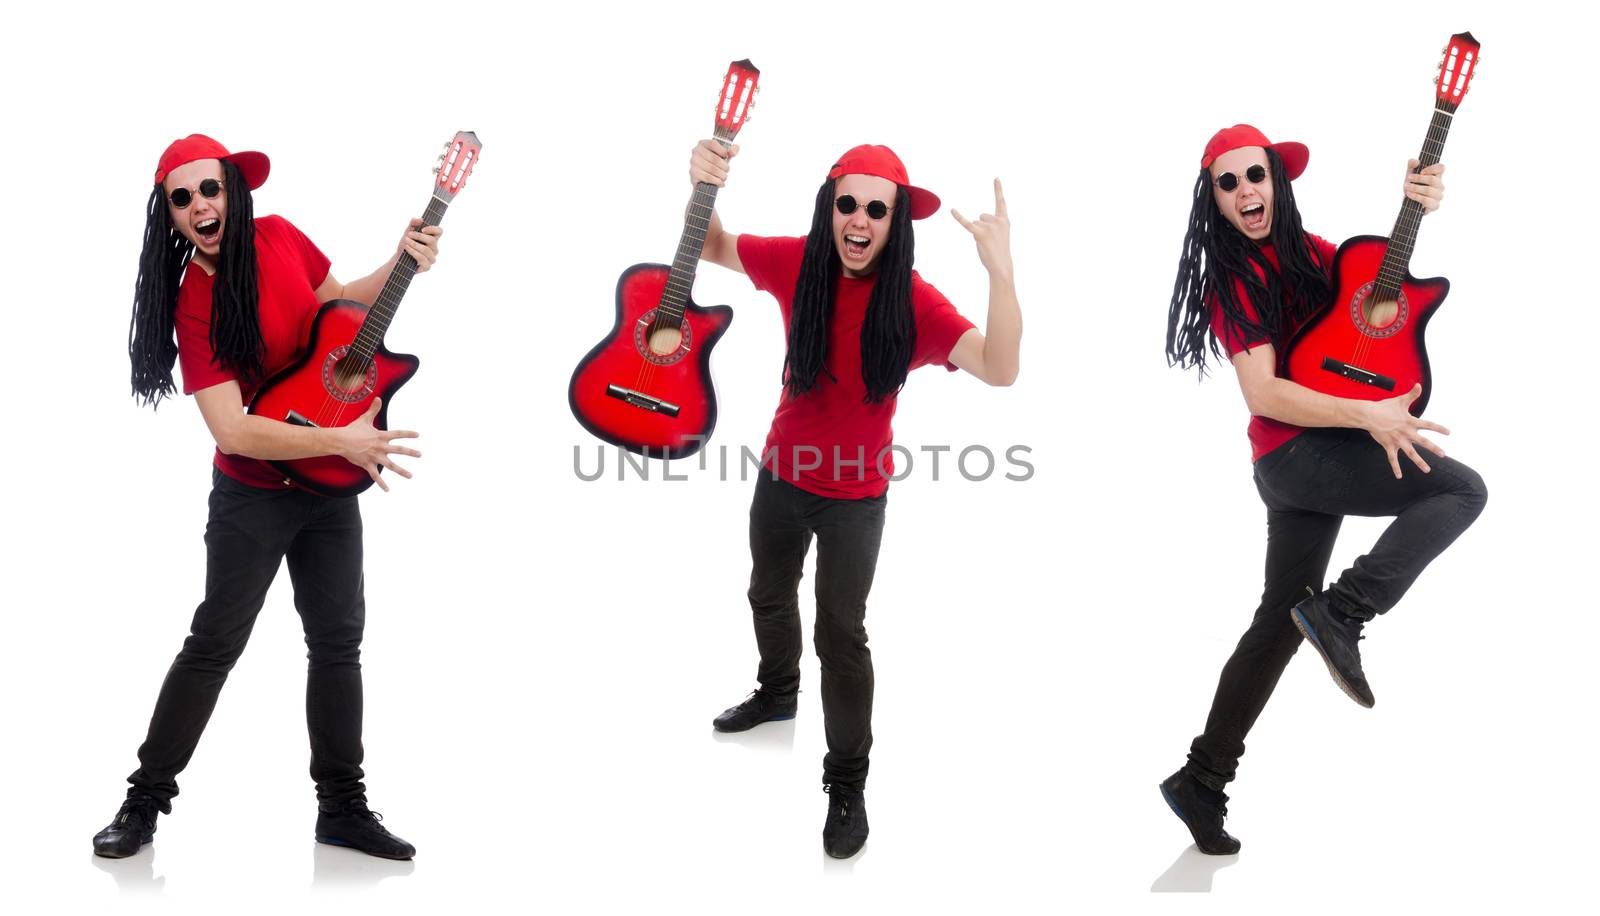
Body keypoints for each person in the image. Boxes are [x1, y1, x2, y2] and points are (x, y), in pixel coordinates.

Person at [95, 134, 440, 860]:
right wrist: (343, 442)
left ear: (233, 190)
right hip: (254, 497)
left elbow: (341, 307)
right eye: (181, 199)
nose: (199, 206)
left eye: (209, 189)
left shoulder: (281, 237)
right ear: (171, 216)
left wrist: (403, 256)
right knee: (215, 642)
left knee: (338, 645)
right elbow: (232, 429)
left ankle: (343, 809)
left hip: (330, 492)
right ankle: (144, 800)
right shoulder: (194, 300)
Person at [1159, 124, 1487, 854]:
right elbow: (1263, 393)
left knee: (1279, 621)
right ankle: (1343, 610)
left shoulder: (1312, 254)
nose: (1248, 191)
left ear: (1278, 179)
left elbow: (1375, 301)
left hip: (1320, 458)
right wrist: (1365, 413)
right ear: (1214, 201)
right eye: (1230, 183)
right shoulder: (1232, 279)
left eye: (1257, 176)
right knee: (1461, 492)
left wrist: (1415, 206)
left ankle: (1201, 779)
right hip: (1293, 457)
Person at [692, 139, 1022, 858]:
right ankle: (777, 693)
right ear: (830, 207)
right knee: (767, 594)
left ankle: (846, 783)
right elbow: (709, 243)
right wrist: (704, 180)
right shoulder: (796, 262)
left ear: (896, 222)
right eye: (849, 204)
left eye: (878, 208)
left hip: (855, 498)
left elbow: (1001, 368)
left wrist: (1000, 273)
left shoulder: (914, 301)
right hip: (781, 474)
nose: (860, 219)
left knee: (840, 636)